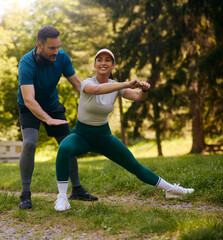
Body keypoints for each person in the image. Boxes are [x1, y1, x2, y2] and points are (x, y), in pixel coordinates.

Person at [54, 48, 194, 211]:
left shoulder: (116, 86)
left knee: (134, 165)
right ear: (94, 64)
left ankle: (171, 189)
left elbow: (138, 97)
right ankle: (62, 198)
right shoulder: (87, 83)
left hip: (103, 136)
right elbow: (97, 90)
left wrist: (144, 90)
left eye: (107, 60)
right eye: (99, 59)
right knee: (64, 147)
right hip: (81, 135)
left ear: (113, 65)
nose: (103, 62)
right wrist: (127, 83)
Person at [17, 26, 98, 209]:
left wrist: (94, 106)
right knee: (29, 143)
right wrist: (47, 119)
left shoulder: (62, 57)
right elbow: (29, 100)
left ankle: (76, 189)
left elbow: (78, 84)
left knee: (68, 143)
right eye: (52, 48)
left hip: (52, 105)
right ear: (40, 45)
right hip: (28, 107)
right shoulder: (26, 62)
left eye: (58, 47)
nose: (56, 51)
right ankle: (25, 194)